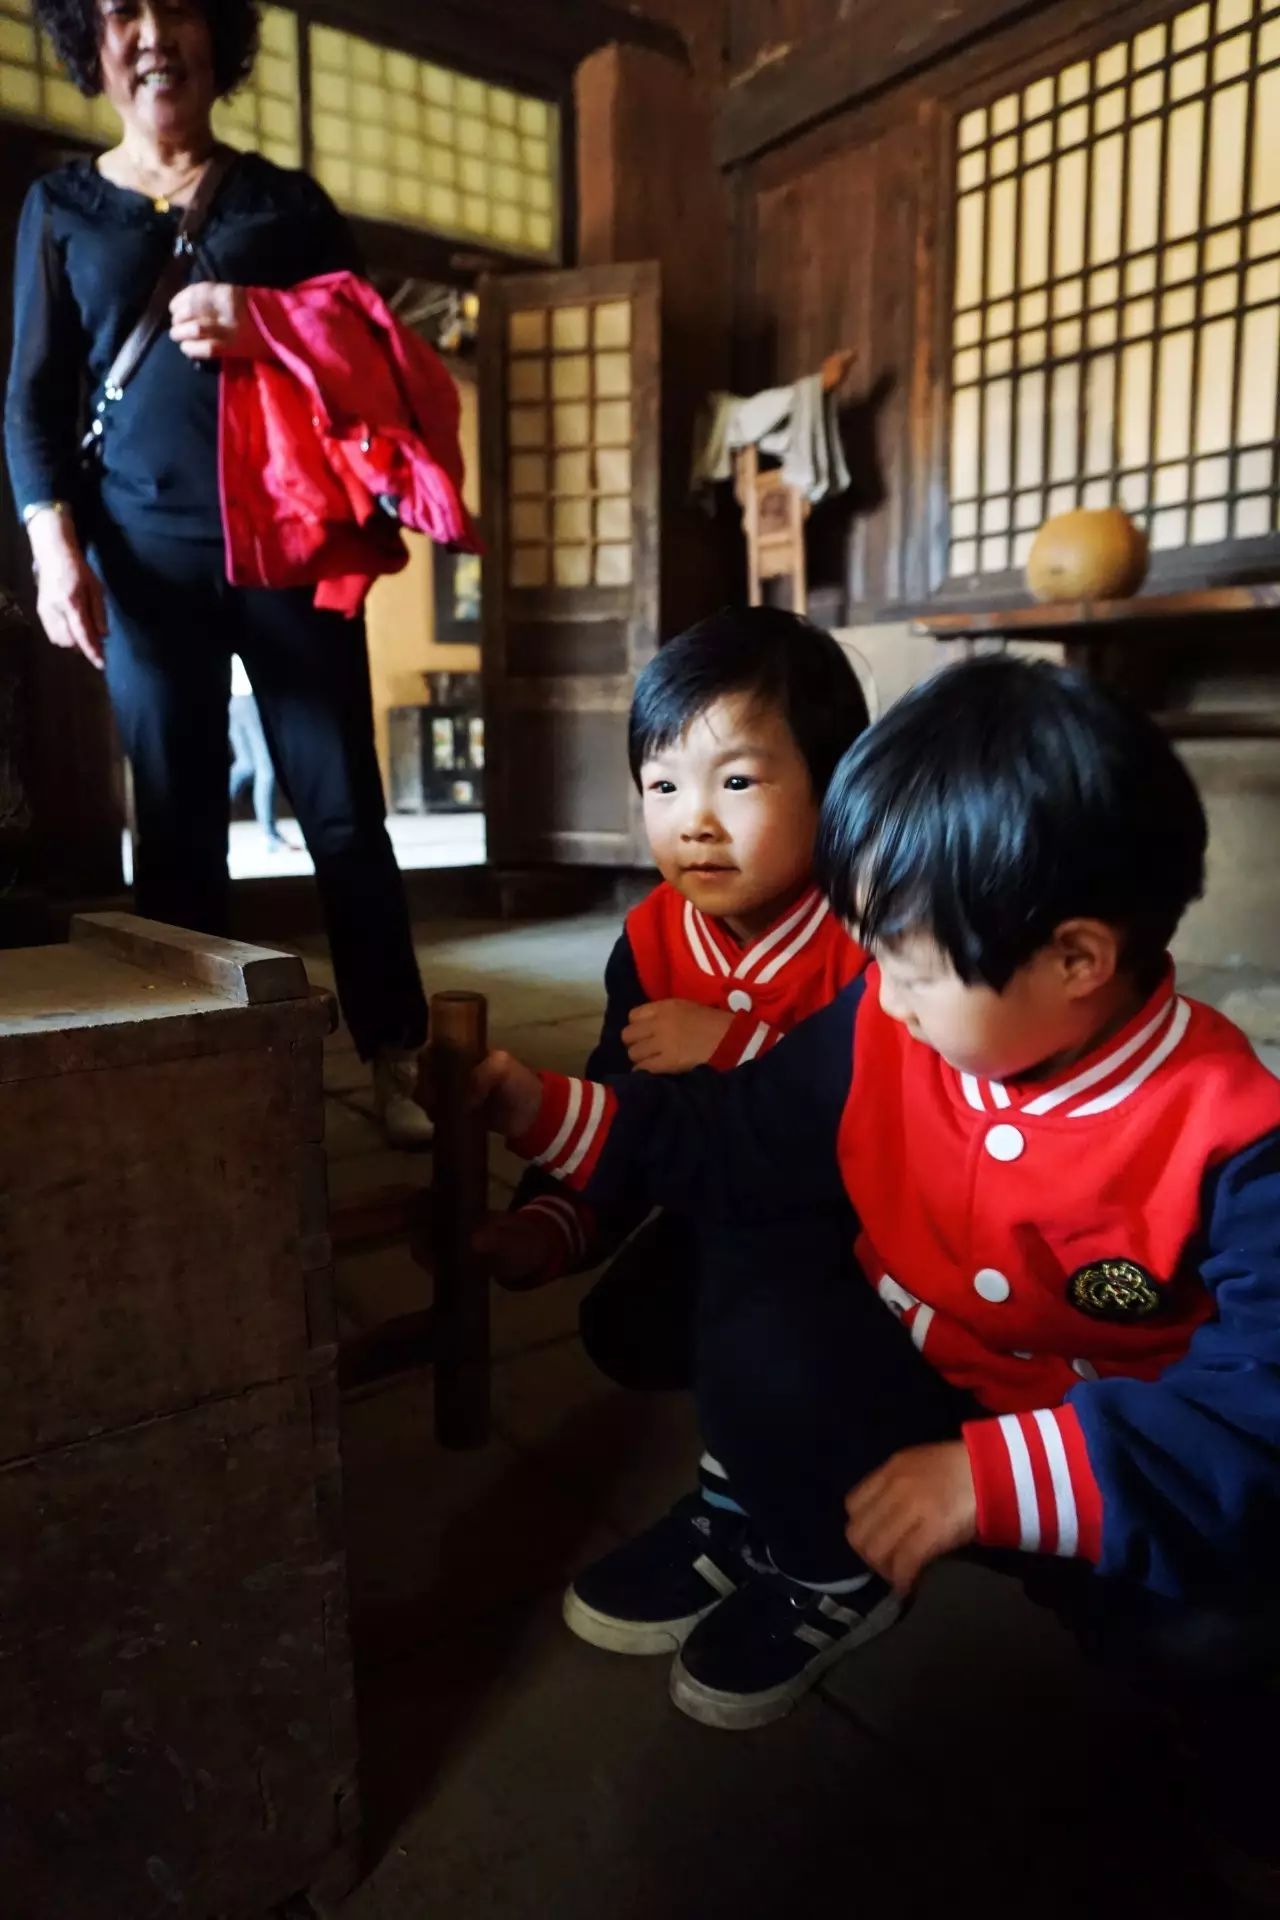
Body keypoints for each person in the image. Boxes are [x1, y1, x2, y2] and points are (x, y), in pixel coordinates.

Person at [471, 656, 1280, 1868]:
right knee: (747, 1260)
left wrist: (992, 1480)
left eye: (904, 965)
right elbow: (741, 1140)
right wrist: (545, 1110)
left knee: (1215, 1640)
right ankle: (808, 1548)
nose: (879, 999)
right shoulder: (887, 1027)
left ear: (1074, 960)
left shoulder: (1237, 1141)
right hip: (916, 1382)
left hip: (1099, 1449)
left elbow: (1252, 1407)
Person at [4, 0, 430, 1147]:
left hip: (286, 552)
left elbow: (377, 352)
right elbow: (32, 401)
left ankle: (396, 1053)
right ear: (87, 41)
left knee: (342, 811)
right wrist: (56, 551)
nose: (153, 32)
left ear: (216, 40)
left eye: (177, 7)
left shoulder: (283, 203)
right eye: (122, 10)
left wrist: (264, 323)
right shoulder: (62, 207)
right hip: (144, 568)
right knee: (180, 821)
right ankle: (198, 1071)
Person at [479, 606, 871, 1414]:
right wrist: (554, 1218)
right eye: (663, 784)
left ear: (834, 788)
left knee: (812, 1343)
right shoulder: (654, 937)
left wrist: (744, 1044)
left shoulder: (870, 931)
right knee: (628, 1325)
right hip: (719, 1202)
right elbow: (621, 1096)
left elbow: (896, 1114)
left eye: (736, 781)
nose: (693, 821)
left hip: (854, 1229)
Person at [228, 653, 285, 852]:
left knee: (246, 765)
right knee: (266, 768)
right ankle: (270, 835)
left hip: (234, 698)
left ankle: (205, 814)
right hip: (249, 696)